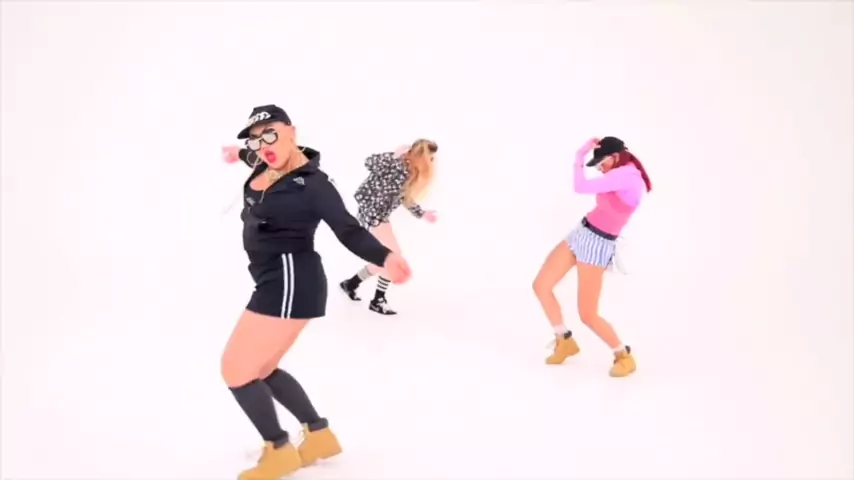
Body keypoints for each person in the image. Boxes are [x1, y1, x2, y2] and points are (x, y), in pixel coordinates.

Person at [220, 104, 412, 480]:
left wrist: (385, 256)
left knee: (236, 369)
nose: (263, 145)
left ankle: (278, 450)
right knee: (263, 368)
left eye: (270, 134)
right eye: (255, 140)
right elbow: (254, 156)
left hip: (289, 281)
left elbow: (348, 229)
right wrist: (238, 152)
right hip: (277, 280)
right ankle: (319, 435)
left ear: (292, 132)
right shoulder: (264, 161)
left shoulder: (313, 184)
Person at [532, 136, 652, 378]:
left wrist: (579, 156)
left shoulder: (627, 176)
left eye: (601, 163)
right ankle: (564, 340)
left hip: (597, 245)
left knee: (587, 314)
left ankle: (623, 355)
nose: (600, 169)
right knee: (541, 285)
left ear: (615, 157)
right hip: (582, 232)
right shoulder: (617, 172)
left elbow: (580, 187)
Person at [338, 140, 438, 315]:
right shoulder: (395, 162)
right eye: (429, 158)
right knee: (392, 256)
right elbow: (369, 162)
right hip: (371, 213)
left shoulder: (410, 172)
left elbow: (405, 198)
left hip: (380, 216)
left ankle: (351, 284)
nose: (431, 162)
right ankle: (377, 300)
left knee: (385, 258)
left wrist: (422, 214)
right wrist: (393, 156)